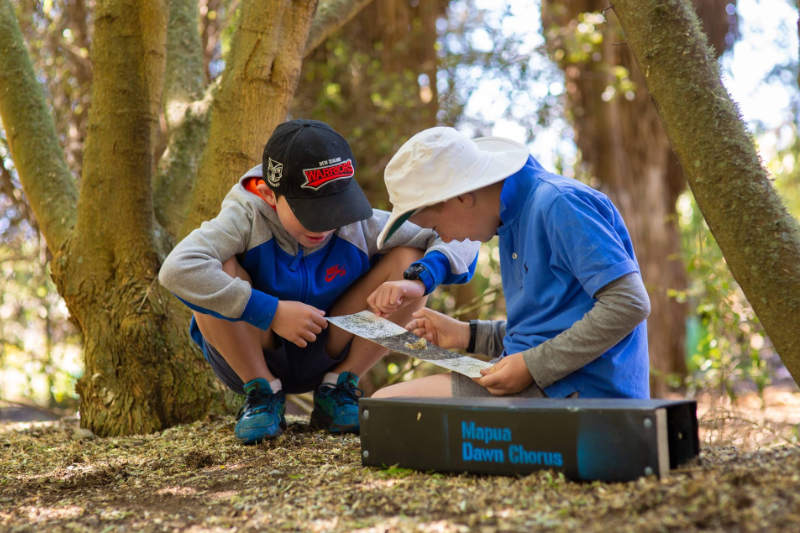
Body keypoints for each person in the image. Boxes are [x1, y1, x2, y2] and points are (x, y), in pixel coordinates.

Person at [159, 119, 479, 443]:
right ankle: (262, 393)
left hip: (330, 346)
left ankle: (339, 387)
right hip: (252, 347)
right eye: (311, 211)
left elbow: (461, 234)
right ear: (268, 195)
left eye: (335, 208)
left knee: (409, 258)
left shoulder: (360, 223)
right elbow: (177, 269)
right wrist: (271, 312)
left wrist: (422, 278)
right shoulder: (245, 217)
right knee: (215, 265)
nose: (325, 225)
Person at [372, 126, 651, 400]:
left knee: (387, 405)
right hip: (552, 388)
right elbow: (549, 328)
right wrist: (467, 335)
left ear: (461, 197)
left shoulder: (559, 204)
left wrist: (532, 366)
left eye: (435, 226)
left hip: (582, 394)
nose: (443, 237)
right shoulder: (510, 220)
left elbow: (629, 303)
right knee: (388, 405)